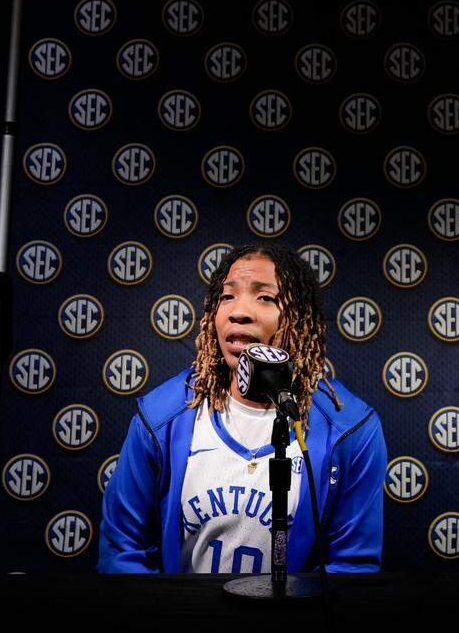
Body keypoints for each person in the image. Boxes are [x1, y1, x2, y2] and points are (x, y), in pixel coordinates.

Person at [98, 244, 387, 573]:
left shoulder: (350, 429)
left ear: (301, 317)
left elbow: (352, 566)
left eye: (265, 297)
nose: (239, 311)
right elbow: (121, 548)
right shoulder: (161, 416)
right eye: (227, 296)